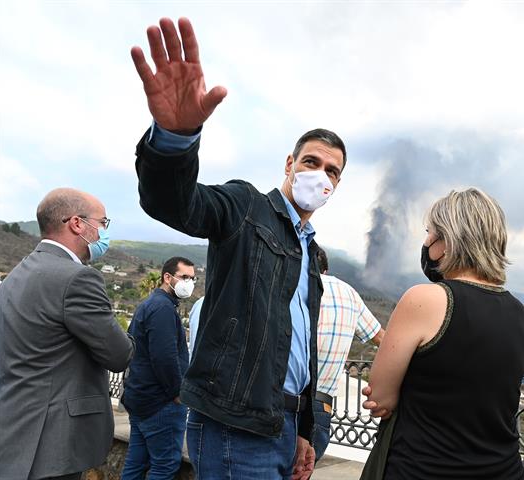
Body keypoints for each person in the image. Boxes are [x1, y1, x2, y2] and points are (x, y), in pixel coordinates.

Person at [131, 17, 346, 479]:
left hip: (283, 425)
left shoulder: (310, 253)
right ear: (289, 164)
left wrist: (304, 428)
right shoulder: (246, 207)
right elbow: (175, 202)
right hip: (234, 426)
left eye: (332, 171)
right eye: (311, 162)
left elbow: (299, 349)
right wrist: (175, 139)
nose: (320, 175)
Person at [360, 188, 524, 479]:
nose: (426, 242)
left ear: (449, 240)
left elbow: (381, 396)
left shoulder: (423, 299)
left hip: (424, 469)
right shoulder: (518, 311)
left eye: (430, 233)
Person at [0, 188, 135, 479]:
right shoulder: (78, 278)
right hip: (54, 441)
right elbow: (118, 354)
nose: (104, 232)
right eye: (102, 223)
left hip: (13, 429)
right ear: (77, 224)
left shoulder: (15, 276)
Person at [303, 247, 385, 464]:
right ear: (326, 270)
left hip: (281, 400)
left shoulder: (293, 285)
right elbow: (382, 339)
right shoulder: (348, 293)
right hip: (321, 406)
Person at [120, 256, 195, 479]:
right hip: (160, 403)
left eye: (192, 278)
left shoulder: (150, 304)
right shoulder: (162, 309)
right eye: (184, 277)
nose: (189, 283)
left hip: (141, 398)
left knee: (136, 463)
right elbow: (164, 358)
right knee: (164, 466)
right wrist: (176, 393)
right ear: (167, 277)